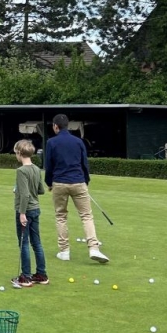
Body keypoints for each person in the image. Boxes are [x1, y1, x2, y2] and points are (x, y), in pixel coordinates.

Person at [44, 113, 109, 264]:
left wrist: (49, 183)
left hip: (59, 183)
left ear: (55, 126)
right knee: (86, 215)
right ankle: (93, 247)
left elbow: (49, 165)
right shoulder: (78, 141)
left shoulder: (51, 142)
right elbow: (84, 164)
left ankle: (64, 251)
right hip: (78, 181)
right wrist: (86, 181)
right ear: (68, 126)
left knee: (61, 216)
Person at [11, 139, 48, 288]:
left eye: (16, 153)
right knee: (36, 243)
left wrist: (21, 213)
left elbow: (25, 195)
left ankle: (25, 277)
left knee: (24, 243)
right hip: (36, 209)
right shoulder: (36, 169)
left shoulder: (21, 171)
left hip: (25, 211)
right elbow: (41, 190)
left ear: (19, 153)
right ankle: (41, 274)